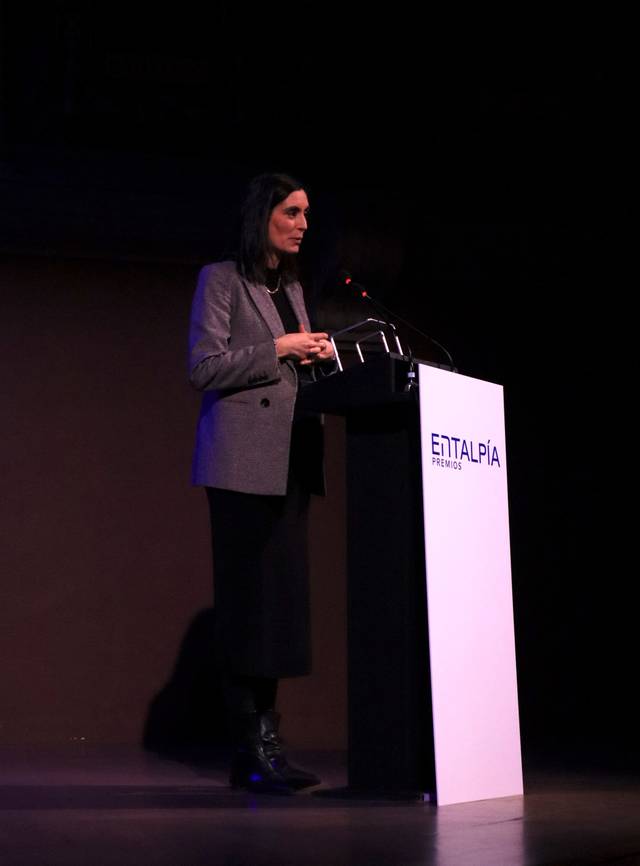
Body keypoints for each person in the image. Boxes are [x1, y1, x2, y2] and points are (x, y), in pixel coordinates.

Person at [188, 172, 335, 794]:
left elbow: (291, 366)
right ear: (264, 216)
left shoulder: (294, 287)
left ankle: (270, 743)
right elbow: (203, 367)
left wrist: (321, 357)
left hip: (290, 464)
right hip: (242, 467)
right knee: (248, 609)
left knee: (277, 613)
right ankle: (248, 749)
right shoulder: (220, 280)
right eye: (293, 212)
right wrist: (279, 347)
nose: (304, 224)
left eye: (306, 214)